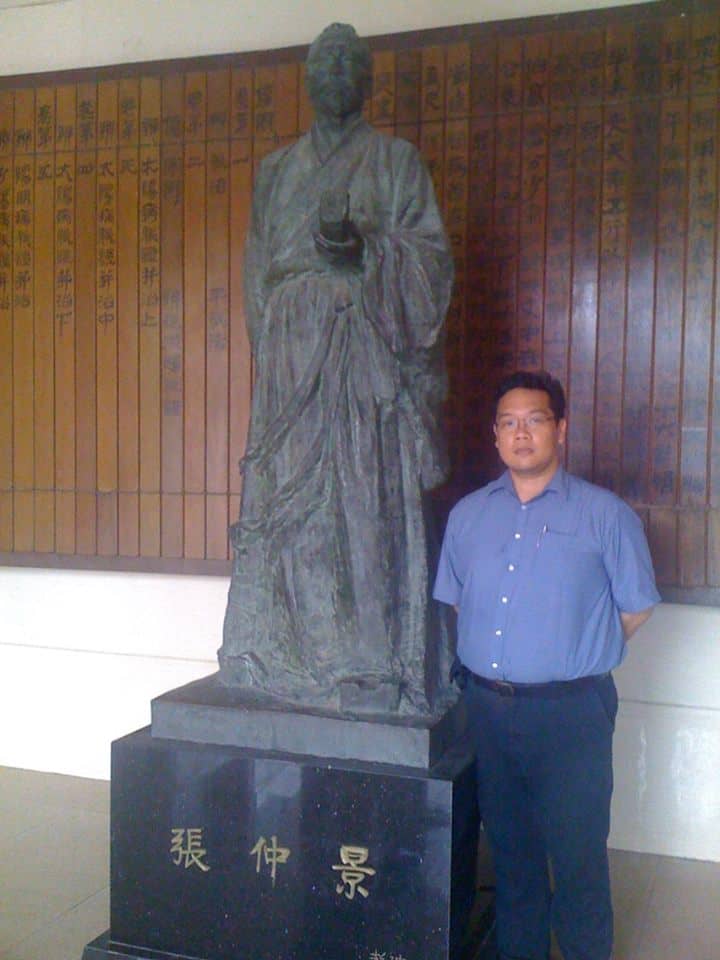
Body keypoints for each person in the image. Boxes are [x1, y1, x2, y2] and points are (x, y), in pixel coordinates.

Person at [218, 23, 455, 715]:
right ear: (308, 77)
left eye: (350, 61)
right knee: (288, 506)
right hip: (292, 355)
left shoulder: (396, 160)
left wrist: (366, 249)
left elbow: (430, 259)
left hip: (360, 348)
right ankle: (269, 649)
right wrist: (272, 354)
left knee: (360, 496)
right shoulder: (276, 171)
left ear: (367, 79)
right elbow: (257, 269)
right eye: (324, 60)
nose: (336, 71)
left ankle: (369, 661)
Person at [433, 370, 660, 960]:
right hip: (487, 707)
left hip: (572, 713)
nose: (521, 433)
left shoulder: (604, 515)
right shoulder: (468, 516)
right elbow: (459, 600)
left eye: (534, 420)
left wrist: (575, 654)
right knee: (511, 857)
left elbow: (636, 607)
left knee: (579, 858)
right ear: (495, 435)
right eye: (508, 422)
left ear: (559, 429)